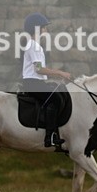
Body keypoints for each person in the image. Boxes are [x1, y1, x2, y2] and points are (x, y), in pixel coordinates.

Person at [21, 12, 72, 148]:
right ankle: (50, 137)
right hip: (33, 83)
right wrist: (60, 73)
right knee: (55, 99)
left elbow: (40, 70)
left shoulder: (35, 45)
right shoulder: (34, 46)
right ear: (37, 29)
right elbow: (38, 69)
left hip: (37, 82)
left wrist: (56, 76)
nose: (46, 29)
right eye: (44, 27)